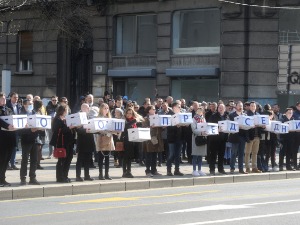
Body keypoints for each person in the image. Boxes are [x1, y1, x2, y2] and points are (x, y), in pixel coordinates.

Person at [50, 105, 76, 183]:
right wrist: (69, 127)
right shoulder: (57, 119)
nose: (67, 111)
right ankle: (60, 177)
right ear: (63, 110)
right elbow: (57, 130)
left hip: (69, 142)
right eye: (67, 110)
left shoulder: (66, 119)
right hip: (61, 143)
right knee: (62, 160)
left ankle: (65, 176)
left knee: (68, 159)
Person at [18, 99, 41, 185]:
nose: (31, 105)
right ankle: (23, 178)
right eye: (29, 104)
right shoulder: (21, 114)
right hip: (26, 140)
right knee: (25, 160)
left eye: (32, 104)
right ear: (24, 105)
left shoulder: (35, 113)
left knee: (34, 160)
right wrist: (30, 130)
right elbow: (19, 131)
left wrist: (39, 128)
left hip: (34, 139)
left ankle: (32, 177)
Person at [121, 108, 143, 178]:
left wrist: (136, 120)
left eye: (130, 113)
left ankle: (129, 171)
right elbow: (126, 126)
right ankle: (124, 172)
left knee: (130, 157)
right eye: (127, 113)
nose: (128, 115)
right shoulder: (124, 120)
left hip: (132, 140)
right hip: (125, 140)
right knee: (125, 157)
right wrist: (134, 121)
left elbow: (142, 120)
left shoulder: (134, 120)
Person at [142, 105, 163, 177]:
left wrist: (162, 126)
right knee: (149, 155)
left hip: (156, 138)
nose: (155, 110)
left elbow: (160, 129)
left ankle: (154, 170)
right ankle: (148, 171)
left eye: (155, 109)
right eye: (153, 109)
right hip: (149, 138)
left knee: (155, 155)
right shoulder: (145, 118)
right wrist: (151, 127)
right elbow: (144, 128)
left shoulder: (157, 118)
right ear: (149, 110)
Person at [75, 103, 95, 181]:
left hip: (89, 140)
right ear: (82, 108)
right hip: (82, 141)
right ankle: (78, 176)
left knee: (88, 159)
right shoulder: (78, 117)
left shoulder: (90, 117)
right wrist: (85, 130)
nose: (87, 109)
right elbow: (77, 129)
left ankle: (87, 175)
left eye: (88, 108)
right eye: (86, 108)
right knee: (80, 159)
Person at [208, 103, 229, 175]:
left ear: (225, 109)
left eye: (222, 108)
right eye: (220, 108)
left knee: (221, 155)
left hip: (223, 139)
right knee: (213, 155)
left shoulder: (226, 116)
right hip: (214, 139)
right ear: (218, 108)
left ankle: (221, 169)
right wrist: (217, 129)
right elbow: (210, 126)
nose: (221, 109)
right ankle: (212, 169)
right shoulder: (213, 116)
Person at [0, 92, 15, 187]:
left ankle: (2, 178)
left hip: (10, 137)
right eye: (2, 99)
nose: (4, 100)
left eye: (5, 98)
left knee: (7, 160)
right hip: (1, 138)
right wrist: (7, 125)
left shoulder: (9, 109)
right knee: (2, 159)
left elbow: (15, 118)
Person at [228, 101, 248, 174]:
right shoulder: (232, 115)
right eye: (239, 106)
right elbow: (230, 125)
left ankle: (241, 169)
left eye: (241, 106)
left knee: (241, 153)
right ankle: (232, 168)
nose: (240, 107)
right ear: (236, 107)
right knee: (233, 153)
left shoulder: (245, 115)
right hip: (235, 136)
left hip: (242, 136)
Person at [96, 103, 115, 180]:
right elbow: (98, 129)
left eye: (107, 108)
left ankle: (107, 174)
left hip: (109, 138)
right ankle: (100, 174)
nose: (106, 110)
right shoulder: (98, 118)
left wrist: (112, 131)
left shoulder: (109, 117)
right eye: (105, 108)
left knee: (107, 157)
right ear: (101, 109)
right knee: (101, 157)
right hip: (101, 138)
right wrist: (106, 132)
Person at [245, 101, 263, 173]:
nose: (253, 107)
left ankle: (254, 167)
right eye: (252, 106)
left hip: (257, 136)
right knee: (247, 153)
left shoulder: (258, 114)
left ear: (256, 107)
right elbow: (245, 126)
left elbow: (261, 124)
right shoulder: (246, 114)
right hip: (250, 136)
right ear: (249, 107)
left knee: (255, 153)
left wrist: (262, 126)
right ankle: (247, 168)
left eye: (254, 106)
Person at [166, 102, 184, 176]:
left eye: (180, 107)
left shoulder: (181, 115)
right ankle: (168, 170)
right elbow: (168, 126)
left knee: (178, 155)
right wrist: (175, 126)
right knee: (171, 154)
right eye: (178, 107)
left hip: (179, 138)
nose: (180, 108)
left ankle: (177, 170)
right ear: (173, 107)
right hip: (171, 138)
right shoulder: (169, 115)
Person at [6, 92, 21, 170]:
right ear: (11, 98)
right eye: (14, 97)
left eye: (17, 97)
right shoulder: (7, 105)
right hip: (8, 129)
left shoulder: (19, 106)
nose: (16, 99)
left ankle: (13, 163)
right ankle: (7, 163)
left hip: (16, 129)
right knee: (8, 146)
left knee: (15, 146)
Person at [191, 107, 207, 176]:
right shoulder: (194, 119)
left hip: (202, 138)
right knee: (195, 154)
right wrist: (200, 133)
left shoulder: (203, 118)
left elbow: (206, 126)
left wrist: (206, 132)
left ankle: (199, 169)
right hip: (196, 137)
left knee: (200, 155)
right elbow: (194, 129)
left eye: (201, 110)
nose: (200, 111)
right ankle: (194, 170)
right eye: (199, 110)